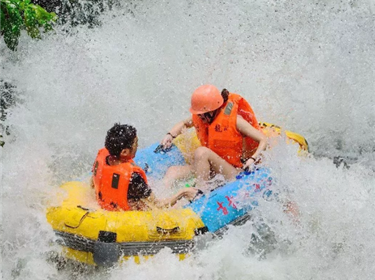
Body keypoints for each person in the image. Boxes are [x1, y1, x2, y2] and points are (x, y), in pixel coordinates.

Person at [161, 84, 268, 190]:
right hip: (212, 167)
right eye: (198, 114)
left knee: (202, 152)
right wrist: (170, 135)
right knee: (173, 171)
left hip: (234, 171)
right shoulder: (202, 117)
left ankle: (200, 192)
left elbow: (263, 139)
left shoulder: (236, 121)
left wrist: (252, 159)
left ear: (214, 109)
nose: (200, 117)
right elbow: (184, 124)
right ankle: (158, 202)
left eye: (203, 114)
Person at [91, 123, 199, 211]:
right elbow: (159, 205)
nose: (137, 146)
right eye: (135, 143)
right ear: (124, 152)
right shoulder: (134, 178)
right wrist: (183, 193)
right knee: (178, 206)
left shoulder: (103, 158)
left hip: (108, 204)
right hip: (129, 215)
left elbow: (93, 184)